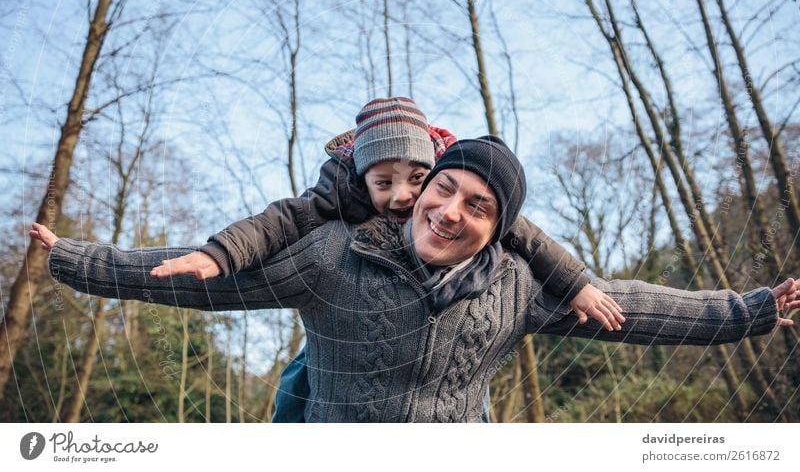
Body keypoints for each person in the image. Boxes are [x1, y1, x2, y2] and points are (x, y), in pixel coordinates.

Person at [34, 136, 797, 422]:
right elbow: (193, 277)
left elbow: (639, 309)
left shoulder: (515, 287)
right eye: (444, 189)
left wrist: (756, 308)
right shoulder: (330, 253)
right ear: (418, 190)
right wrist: (73, 256)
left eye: (479, 205)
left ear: (499, 227)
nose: (450, 211)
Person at [108, 97, 624, 421]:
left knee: (465, 384)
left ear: (432, 165)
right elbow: (276, 224)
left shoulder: (452, 178)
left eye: (415, 180)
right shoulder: (338, 196)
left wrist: (576, 282)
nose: (402, 196)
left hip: (435, 345)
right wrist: (219, 254)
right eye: (384, 183)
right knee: (303, 374)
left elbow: (528, 237)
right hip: (346, 319)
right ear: (362, 177)